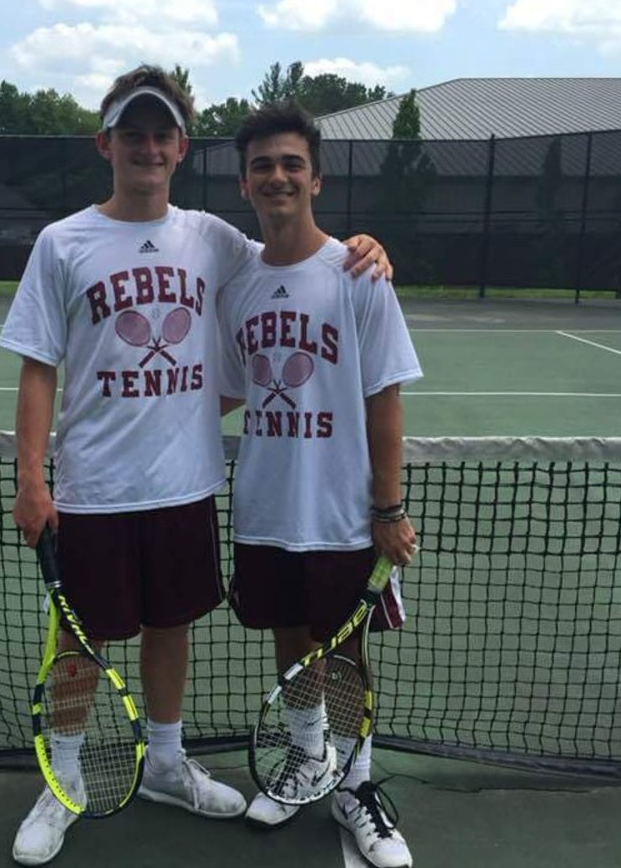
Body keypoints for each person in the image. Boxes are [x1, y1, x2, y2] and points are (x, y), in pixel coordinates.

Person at [0, 66, 392, 866]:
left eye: (161, 134)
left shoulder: (214, 239)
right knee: (80, 643)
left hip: (184, 487)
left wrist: (364, 245)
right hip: (91, 489)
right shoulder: (61, 243)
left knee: (168, 629)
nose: (147, 147)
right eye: (131, 133)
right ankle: (64, 778)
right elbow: (38, 365)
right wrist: (31, 479)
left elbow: (295, 252)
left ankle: (168, 765)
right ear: (105, 143)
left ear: (180, 147)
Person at [216, 101, 422, 868]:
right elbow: (230, 389)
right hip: (265, 505)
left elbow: (386, 396)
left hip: (340, 509)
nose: (277, 176)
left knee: (345, 650)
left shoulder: (360, 274)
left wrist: (387, 507)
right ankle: (307, 758)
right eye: (264, 165)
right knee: (291, 642)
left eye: (291, 164)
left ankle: (357, 784)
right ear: (245, 183)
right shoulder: (236, 284)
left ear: (316, 179)